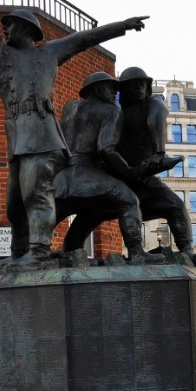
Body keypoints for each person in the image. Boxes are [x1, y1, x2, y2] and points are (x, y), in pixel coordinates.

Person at [0, 0, 148, 270]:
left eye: (10, 24)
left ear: (27, 29)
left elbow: (86, 38)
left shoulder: (48, 53)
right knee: (15, 206)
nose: (5, 28)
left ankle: (37, 253)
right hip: (18, 139)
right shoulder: (0, 54)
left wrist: (123, 26)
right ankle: (21, 252)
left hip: (45, 138)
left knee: (36, 194)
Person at [54, 72, 159, 263]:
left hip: (62, 178)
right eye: (111, 88)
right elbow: (106, 149)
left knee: (49, 216)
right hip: (87, 173)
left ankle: (42, 252)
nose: (115, 93)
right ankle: (137, 253)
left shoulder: (70, 107)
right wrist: (127, 171)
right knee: (129, 200)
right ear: (98, 88)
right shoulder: (111, 111)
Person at [116, 67, 192, 256]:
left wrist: (160, 151)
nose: (139, 88)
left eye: (142, 84)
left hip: (142, 177)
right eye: (133, 85)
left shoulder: (152, 104)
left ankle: (187, 251)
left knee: (176, 206)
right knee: (88, 218)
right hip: (120, 177)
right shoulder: (117, 113)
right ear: (123, 90)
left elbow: (156, 119)